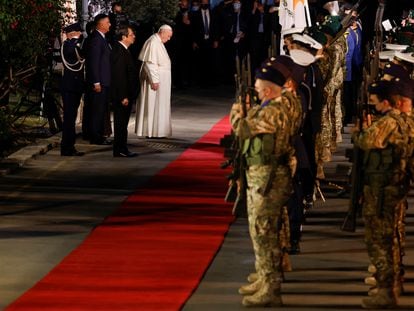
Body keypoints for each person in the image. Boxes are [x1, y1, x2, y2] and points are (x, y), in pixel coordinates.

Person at [230, 58, 295, 307]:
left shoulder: (273, 111)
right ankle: (265, 278)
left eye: (258, 90)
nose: (256, 94)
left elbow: (243, 129)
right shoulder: (274, 106)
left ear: (268, 90)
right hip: (262, 176)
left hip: (268, 178)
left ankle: (271, 287)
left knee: (266, 232)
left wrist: (237, 112)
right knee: (260, 230)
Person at [352, 80, 413, 309]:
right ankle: (391, 284)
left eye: (375, 102)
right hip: (394, 187)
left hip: (382, 191)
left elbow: (367, 140)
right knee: (390, 239)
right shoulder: (405, 121)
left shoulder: (388, 123)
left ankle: (386, 291)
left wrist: (359, 131)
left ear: (386, 102)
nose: (373, 107)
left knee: (379, 242)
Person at [135, 25, 173, 139]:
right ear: (162, 32)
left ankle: (158, 131)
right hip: (155, 81)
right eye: (169, 36)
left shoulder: (158, 42)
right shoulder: (153, 42)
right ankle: (152, 131)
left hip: (161, 81)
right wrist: (154, 80)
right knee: (153, 105)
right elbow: (150, 63)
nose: (169, 39)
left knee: (160, 106)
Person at [110, 25, 139, 158]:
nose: (134, 36)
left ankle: (122, 148)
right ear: (124, 37)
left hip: (126, 94)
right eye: (131, 34)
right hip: (122, 96)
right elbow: (119, 76)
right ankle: (120, 149)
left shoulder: (124, 50)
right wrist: (123, 96)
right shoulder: (119, 52)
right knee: (120, 123)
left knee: (123, 123)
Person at [86, 14, 112, 145]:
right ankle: (96, 136)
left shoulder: (102, 38)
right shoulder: (96, 39)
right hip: (99, 82)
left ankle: (100, 134)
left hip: (104, 81)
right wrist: (96, 81)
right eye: (107, 22)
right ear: (100, 24)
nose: (110, 25)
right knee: (97, 110)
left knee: (101, 110)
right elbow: (94, 62)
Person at [60, 22, 86, 156]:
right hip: (69, 87)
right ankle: (66, 148)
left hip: (76, 87)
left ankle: (70, 146)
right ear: (73, 33)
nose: (81, 34)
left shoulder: (75, 45)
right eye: (79, 32)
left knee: (72, 117)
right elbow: (72, 54)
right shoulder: (67, 45)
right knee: (69, 119)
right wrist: (75, 40)